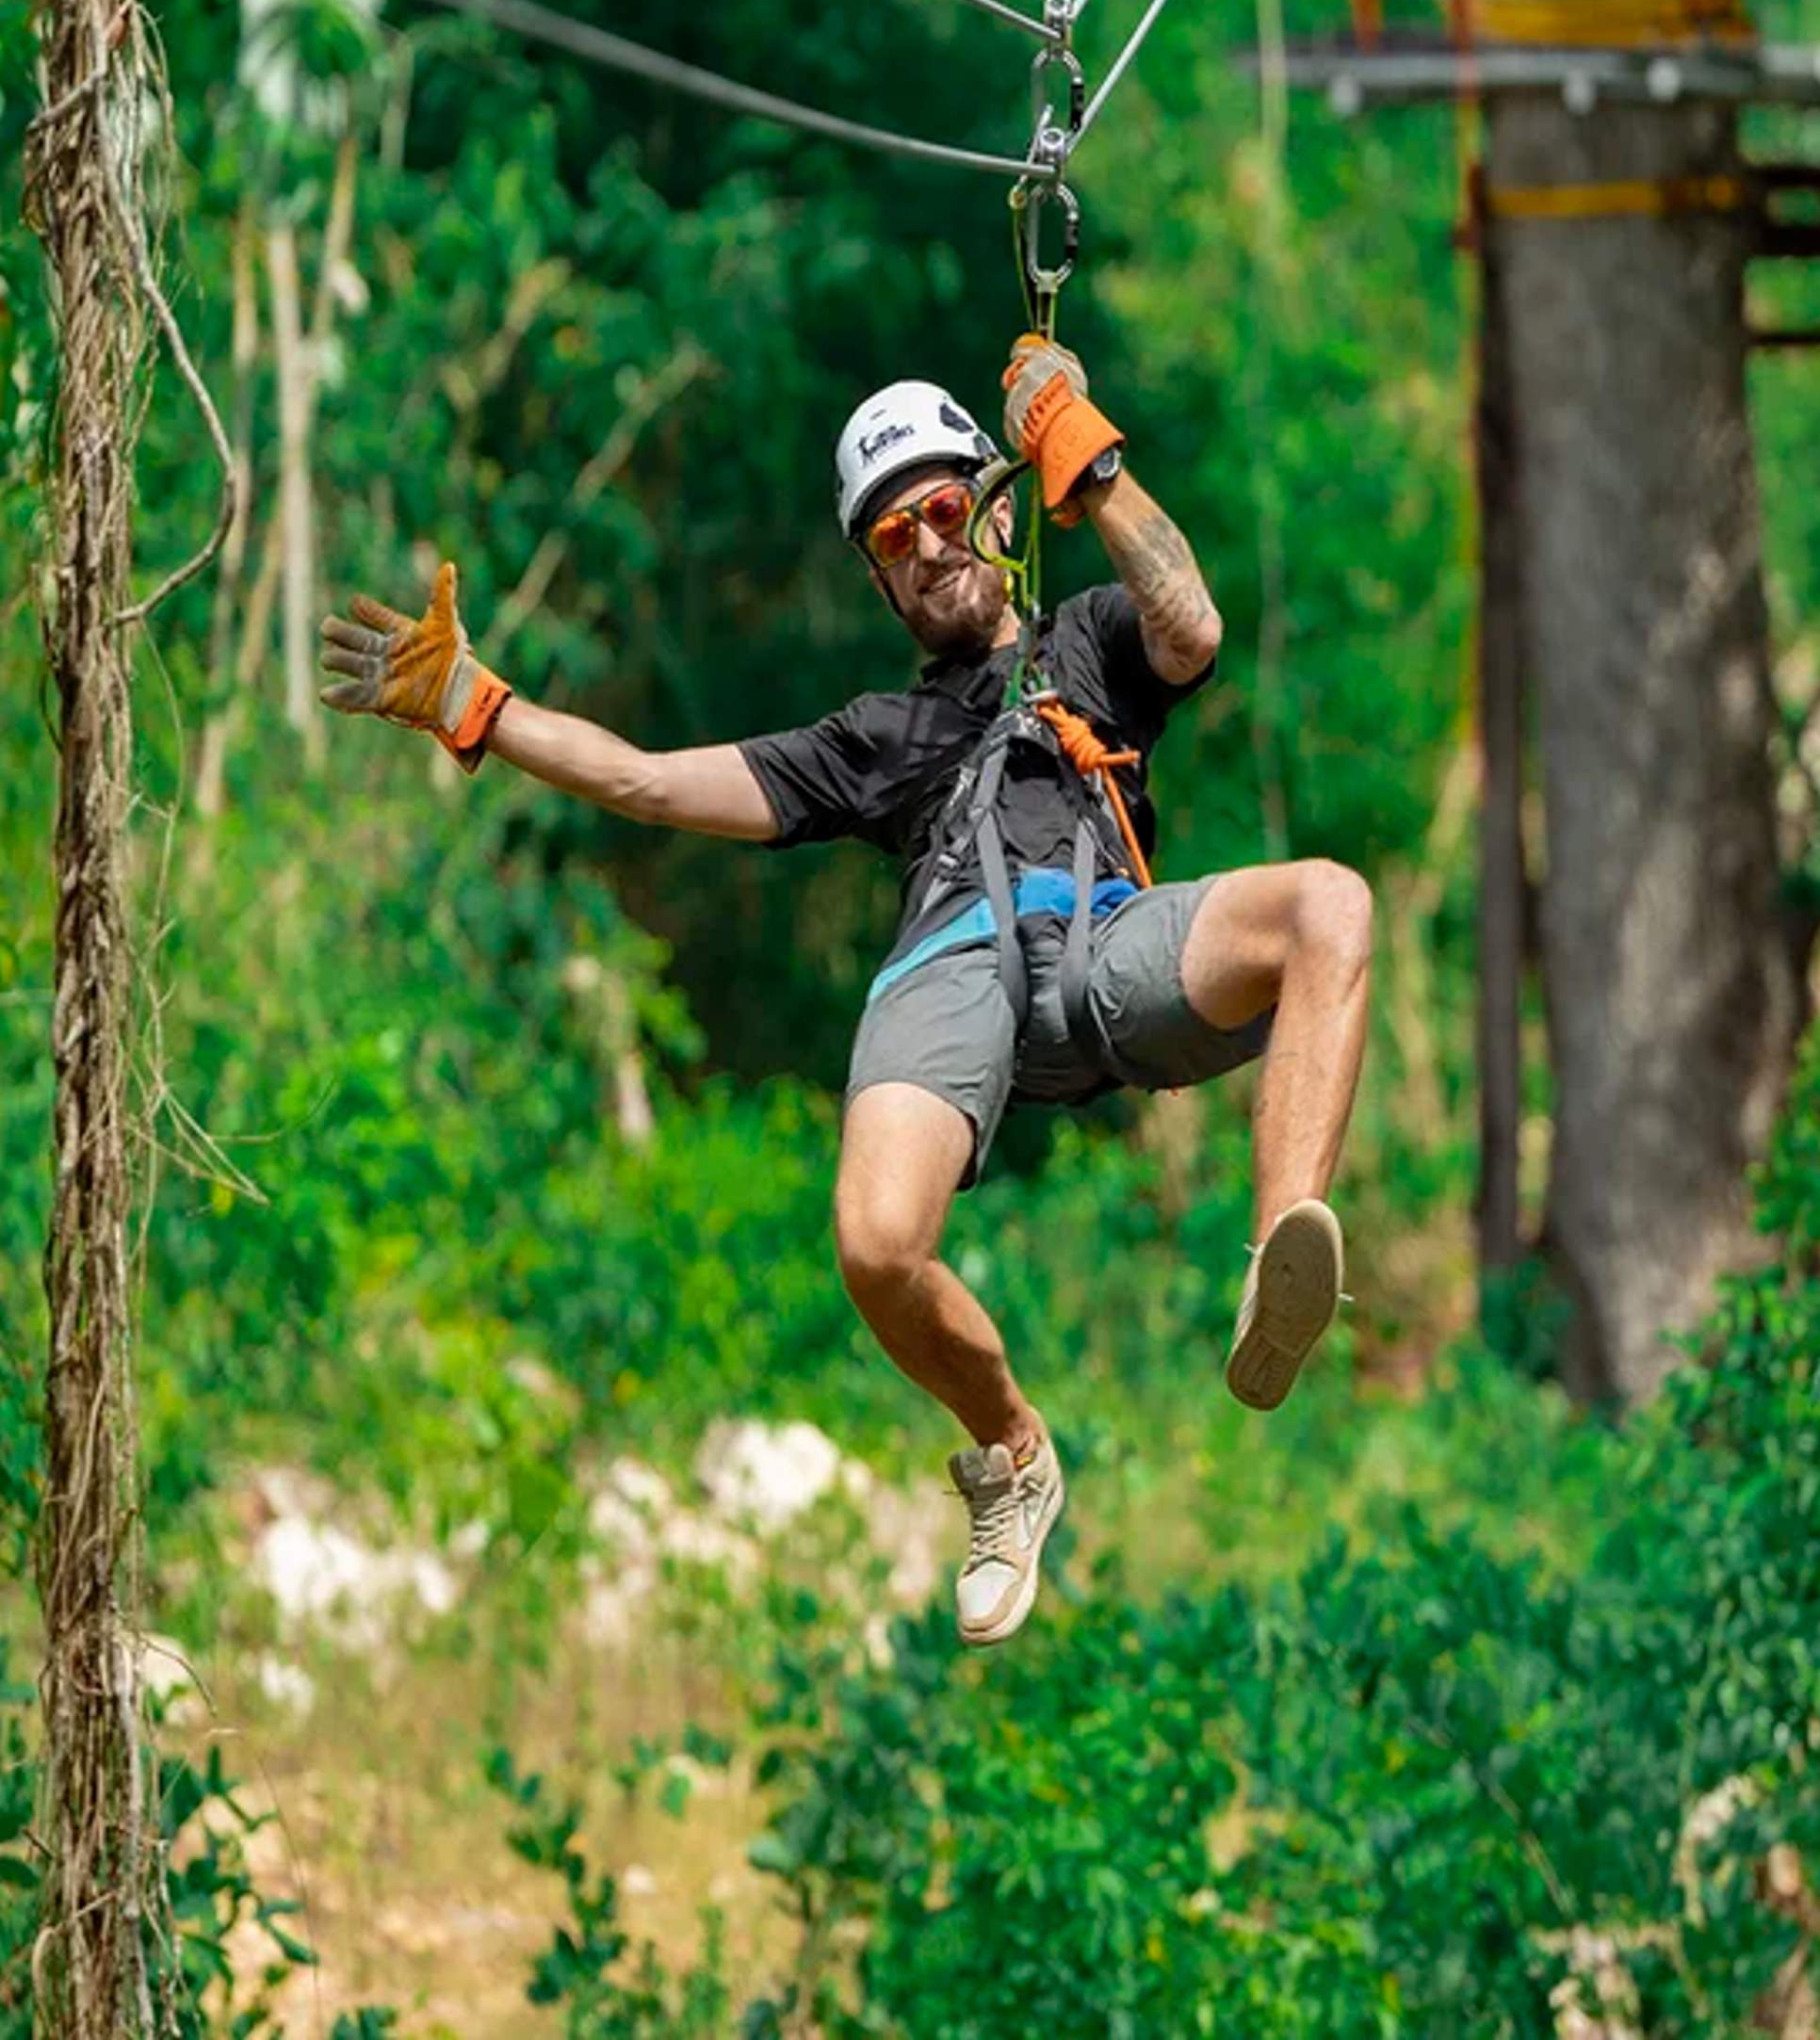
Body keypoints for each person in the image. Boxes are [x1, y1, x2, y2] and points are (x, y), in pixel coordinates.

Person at [320, 335, 1372, 1645]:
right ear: (877, 576)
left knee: (1332, 901)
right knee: (877, 1246)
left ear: (993, 510)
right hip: (957, 966)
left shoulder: (1089, 642)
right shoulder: (874, 741)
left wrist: (1083, 462)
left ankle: (1282, 1251)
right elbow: (649, 780)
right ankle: (1011, 1456)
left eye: (942, 512)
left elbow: (1193, 623)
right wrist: (480, 706)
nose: (926, 549)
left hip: (1107, 943)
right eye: (892, 539)